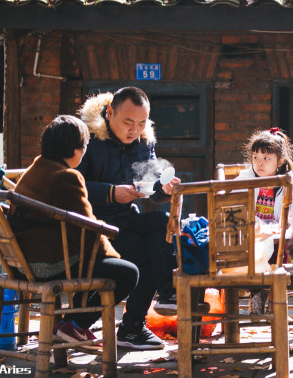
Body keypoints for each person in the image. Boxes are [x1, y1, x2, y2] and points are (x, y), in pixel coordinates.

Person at [9, 115, 139, 344]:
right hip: (46, 266)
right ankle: (76, 325)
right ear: (76, 149)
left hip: (20, 263)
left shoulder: (35, 168)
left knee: (95, 264)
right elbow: (90, 229)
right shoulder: (67, 176)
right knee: (127, 272)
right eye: (85, 147)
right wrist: (114, 256)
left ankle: (66, 324)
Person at [76, 87, 180, 349]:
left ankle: (168, 295)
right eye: (128, 122)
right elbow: (70, 185)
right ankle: (132, 327)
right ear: (110, 113)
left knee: (161, 223)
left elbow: (151, 184)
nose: (135, 130)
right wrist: (111, 194)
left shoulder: (144, 142)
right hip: (89, 225)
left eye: (142, 123)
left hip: (125, 218)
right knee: (147, 252)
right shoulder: (87, 138)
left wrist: (164, 188)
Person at [234, 128, 293, 314]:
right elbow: (232, 198)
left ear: (280, 161)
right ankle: (256, 294)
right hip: (255, 233)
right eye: (255, 158)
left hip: (279, 235)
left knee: (278, 254)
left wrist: (284, 224)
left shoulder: (290, 183)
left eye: (266, 158)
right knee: (255, 255)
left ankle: (274, 297)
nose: (259, 163)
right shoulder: (247, 178)